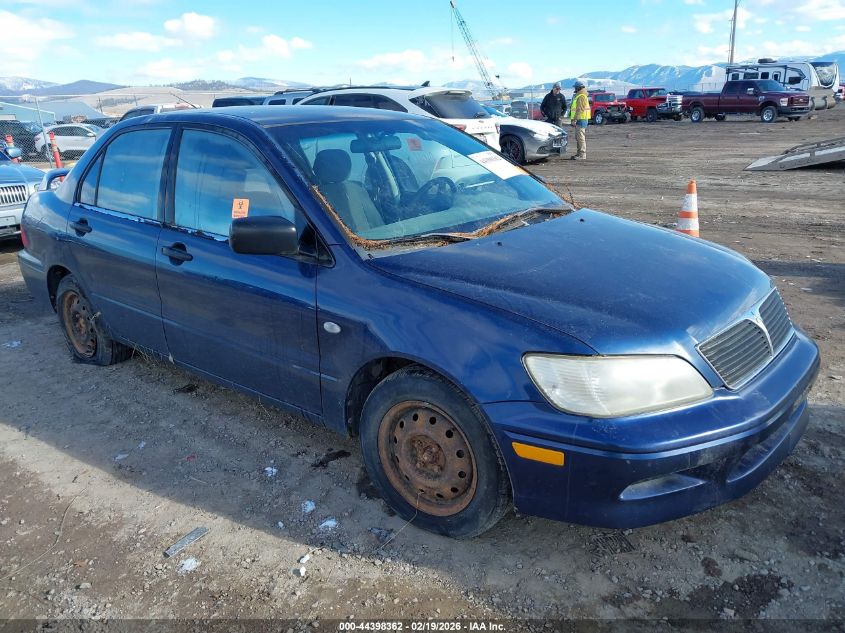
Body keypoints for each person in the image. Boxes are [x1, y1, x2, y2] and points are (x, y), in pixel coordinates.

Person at [569, 81, 591, 160]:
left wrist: (574, 120)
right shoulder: (581, 95)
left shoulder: (581, 96)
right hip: (581, 119)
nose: (574, 89)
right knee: (578, 137)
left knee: (580, 137)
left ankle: (582, 154)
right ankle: (579, 154)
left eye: (575, 87)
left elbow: (579, 109)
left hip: (581, 119)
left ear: (578, 88)